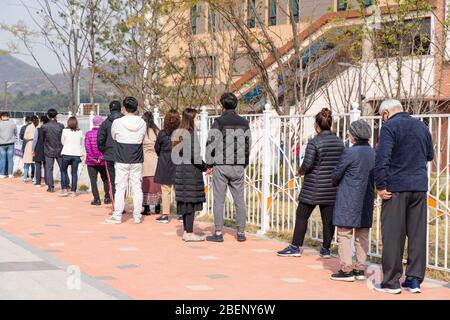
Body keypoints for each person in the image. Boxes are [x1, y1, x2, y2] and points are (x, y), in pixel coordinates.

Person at [373, 99, 434, 294]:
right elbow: (430, 155)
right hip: (418, 187)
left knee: (393, 235)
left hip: (396, 188)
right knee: (417, 234)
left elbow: (382, 158)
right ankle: (414, 280)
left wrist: (381, 186)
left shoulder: (389, 127)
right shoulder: (422, 126)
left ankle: (391, 282)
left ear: (386, 114)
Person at [277, 108, 344, 258]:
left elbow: (307, 164)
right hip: (332, 187)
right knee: (328, 220)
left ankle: (295, 247)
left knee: (301, 215)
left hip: (313, 187)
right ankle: (326, 249)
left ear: (316, 125)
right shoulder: (340, 143)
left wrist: (300, 172)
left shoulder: (314, 142)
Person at [329, 120, 375, 282]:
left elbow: (336, 173)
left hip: (348, 197)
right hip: (366, 197)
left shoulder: (349, 153)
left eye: (349, 132)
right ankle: (360, 269)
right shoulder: (374, 153)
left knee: (344, 232)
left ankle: (346, 269)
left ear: (354, 135)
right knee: (362, 233)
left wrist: (335, 182)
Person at [205, 92, 251, 242]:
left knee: (219, 199)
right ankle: (241, 233)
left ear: (222, 105)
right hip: (238, 165)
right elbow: (247, 145)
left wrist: (209, 164)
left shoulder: (219, 122)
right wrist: (244, 163)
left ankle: (218, 233)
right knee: (239, 200)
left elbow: (210, 143)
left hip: (221, 165)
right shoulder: (244, 123)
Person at [105, 97, 146, 224]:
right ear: (136, 108)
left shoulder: (117, 122)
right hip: (137, 158)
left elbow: (114, 136)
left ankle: (117, 216)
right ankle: (137, 216)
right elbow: (143, 137)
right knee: (137, 187)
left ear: (124, 108)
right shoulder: (142, 123)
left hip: (121, 157)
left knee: (120, 187)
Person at [173, 108, 212, 241]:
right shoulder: (189, 133)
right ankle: (189, 233)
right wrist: (205, 167)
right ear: (191, 119)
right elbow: (194, 155)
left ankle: (186, 231)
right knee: (190, 202)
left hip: (180, 169)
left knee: (185, 201)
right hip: (190, 171)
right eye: (195, 117)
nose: (197, 120)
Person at [154, 109, 180, 223]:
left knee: (165, 190)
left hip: (164, 162)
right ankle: (182, 215)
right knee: (179, 188)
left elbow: (156, 148)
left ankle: (165, 215)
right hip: (178, 162)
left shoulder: (162, 133)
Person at [97, 100, 123, 204]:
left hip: (110, 155)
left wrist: (104, 151)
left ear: (110, 109)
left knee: (112, 182)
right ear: (120, 109)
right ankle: (121, 204)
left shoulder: (105, 123)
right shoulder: (124, 121)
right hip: (123, 155)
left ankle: (116, 205)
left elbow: (100, 140)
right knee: (122, 182)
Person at [85, 115, 110, 205]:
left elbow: (87, 148)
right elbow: (106, 148)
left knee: (93, 180)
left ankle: (97, 199)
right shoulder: (105, 134)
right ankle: (107, 197)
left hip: (91, 162)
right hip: (103, 161)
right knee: (105, 180)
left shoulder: (88, 134)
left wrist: (93, 158)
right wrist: (100, 158)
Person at [141, 111, 162, 216]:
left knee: (146, 183)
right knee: (157, 184)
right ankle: (158, 207)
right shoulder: (157, 131)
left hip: (145, 160)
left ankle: (147, 208)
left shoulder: (142, 132)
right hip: (156, 159)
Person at [59, 116, 83, 197]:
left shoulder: (65, 131)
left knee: (63, 171)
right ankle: (73, 191)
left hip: (66, 152)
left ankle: (64, 189)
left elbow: (62, 142)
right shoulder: (80, 132)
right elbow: (80, 142)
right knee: (74, 173)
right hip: (76, 154)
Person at [42, 108, 64, 193]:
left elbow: (43, 138)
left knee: (49, 169)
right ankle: (65, 185)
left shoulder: (44, 126)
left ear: (48, 116)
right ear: (56, 116)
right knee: (63, 168)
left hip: (48, 149)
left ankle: (50, 187)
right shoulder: (61, 126)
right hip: (59, 149)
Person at [32, 115, 49, 187]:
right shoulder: (48, 129)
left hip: (38, 149)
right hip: (47, 149)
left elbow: (35, 140)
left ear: (41, 122)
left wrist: (32, 150)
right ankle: (47, 182)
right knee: (46, 166)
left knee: (38, 165)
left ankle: (38, 182)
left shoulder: (38, 129)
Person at [0, 112, 17, 178]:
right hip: (11, 143)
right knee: (10, 159)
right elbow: (16, 132)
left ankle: (1, 174)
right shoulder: (12, 123)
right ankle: (10, 174)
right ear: (8, 116)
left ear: (2, 117)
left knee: (2, 159)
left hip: (1, 144)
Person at [22, 115, 38, 183]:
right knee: (36, 163)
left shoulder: (28, 127)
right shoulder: (38, 126)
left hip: (29, 144)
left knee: (27, 163)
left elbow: (25, 137)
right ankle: (34, 179)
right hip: (37, 145)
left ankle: (25, 178)